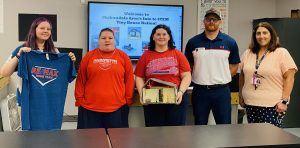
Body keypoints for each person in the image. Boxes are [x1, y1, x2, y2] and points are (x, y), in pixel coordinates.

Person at [0, 17, 77, 130]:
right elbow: (4, 72)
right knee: (31, 137)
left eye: (49, 29)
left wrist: (69, 60)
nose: (46, 31)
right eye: (42, 28)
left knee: (50, 136)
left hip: (51, 102)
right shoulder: (24, 49)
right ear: (34, 29)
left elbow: (67, 76)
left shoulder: (55, 52)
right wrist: (19, 56)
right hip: (28, 102)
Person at [185, 8, 240, 125]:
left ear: (220, 22)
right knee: (199, 125)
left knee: (224, 126)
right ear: (204, 21)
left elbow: (235, 65)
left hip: (222, 91)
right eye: (208, 19)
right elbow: (188, 65)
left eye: (215, 19)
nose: (211, 21)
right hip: (200, 91)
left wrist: (221, 76)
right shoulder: (193, 42)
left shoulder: (230, 42)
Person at [239, 22, 297, 128]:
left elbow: (290, 77)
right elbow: (242, 75)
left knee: (270, 140)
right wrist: (240, 95)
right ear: (254, 36)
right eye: (258, 33)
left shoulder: (281, 53)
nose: (261, 36)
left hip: (272, 106)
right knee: (253, 137)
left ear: (271, 35)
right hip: (250, 104)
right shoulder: (248, 53)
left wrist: (284, 101)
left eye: (265, 33)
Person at [75, 28, 134, 129]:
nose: (107, 40)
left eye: (110, 38)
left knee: (117, 142)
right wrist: (79, 99)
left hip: (117, 108)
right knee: (89, 142)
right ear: (98, 40)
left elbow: (129, 80)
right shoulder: (89, 56)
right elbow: (80, 79)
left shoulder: (123, 56)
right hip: (89, 108)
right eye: (103, 38)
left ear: (114, 40)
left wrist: (128, 100)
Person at [135, 24, 191, 127]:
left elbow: (187, 76)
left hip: (175, 97)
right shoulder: (145, 56)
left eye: (164, 34)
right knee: (154, 132)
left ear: (169, 37)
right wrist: (142, 94)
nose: (161, 37)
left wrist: (181, 92)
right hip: (152, 98)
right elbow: (139, 77)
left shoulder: (178, 54)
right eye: (158, 34)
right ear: (153, 37)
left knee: (175, 133)